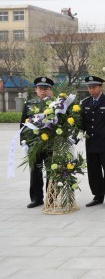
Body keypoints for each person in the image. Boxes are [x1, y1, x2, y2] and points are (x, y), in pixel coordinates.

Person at [79, 75, 105, 208]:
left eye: (94, 87)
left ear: (100, 87)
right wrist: (74, 137)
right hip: (91, 143)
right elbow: (82, 124)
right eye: (89, 88)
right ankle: (98, 195)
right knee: (93, 171)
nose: (91, 90)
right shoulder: (85, 102)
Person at [21, 76, 54, 208]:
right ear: (36, 89)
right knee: (35, 172)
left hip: (50, 144)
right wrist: (23, 142)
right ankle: (36, 198)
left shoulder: (55, 105)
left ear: (50, 90)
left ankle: (51, 198)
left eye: (46, 89)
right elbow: (23, 124)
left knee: (52, 171)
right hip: (34, 144)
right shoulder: (29, 104)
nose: (43, 91)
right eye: (40, 88)